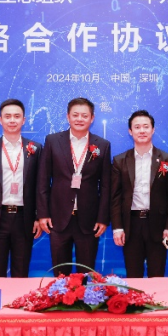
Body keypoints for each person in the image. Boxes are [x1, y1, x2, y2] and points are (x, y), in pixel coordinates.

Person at [37, 98, 111, 272]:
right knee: (60, 274)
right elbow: (43, 180)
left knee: (85, 273)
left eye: (84, 115)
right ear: (68, 117)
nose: (79, 119)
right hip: (58, 218)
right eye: (75, 115)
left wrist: (102, 218)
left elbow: (106, 186)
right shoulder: (53, 141)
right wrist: (43, 214)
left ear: (92, 118)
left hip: (88, 220)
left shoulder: (102, 145)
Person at [0, 99, 43, 277]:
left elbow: (40, 186)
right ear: (0, 120)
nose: (12, 120)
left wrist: (38, 217)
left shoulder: (35, 148)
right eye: (7, 116)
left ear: (24, 120)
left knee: (21, 272)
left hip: (24, 219)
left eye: (16, 116)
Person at [111, 110, 168, 278]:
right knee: (133, 275)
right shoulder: (120, 161)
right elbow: (115, 198)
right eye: (137, 127)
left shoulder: (167, 159)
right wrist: (117, 227)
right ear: (130, 131)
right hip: (131, 225)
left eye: (146, 127)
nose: (142, 131)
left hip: (158, 224)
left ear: (153, 130)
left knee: (157, 275)